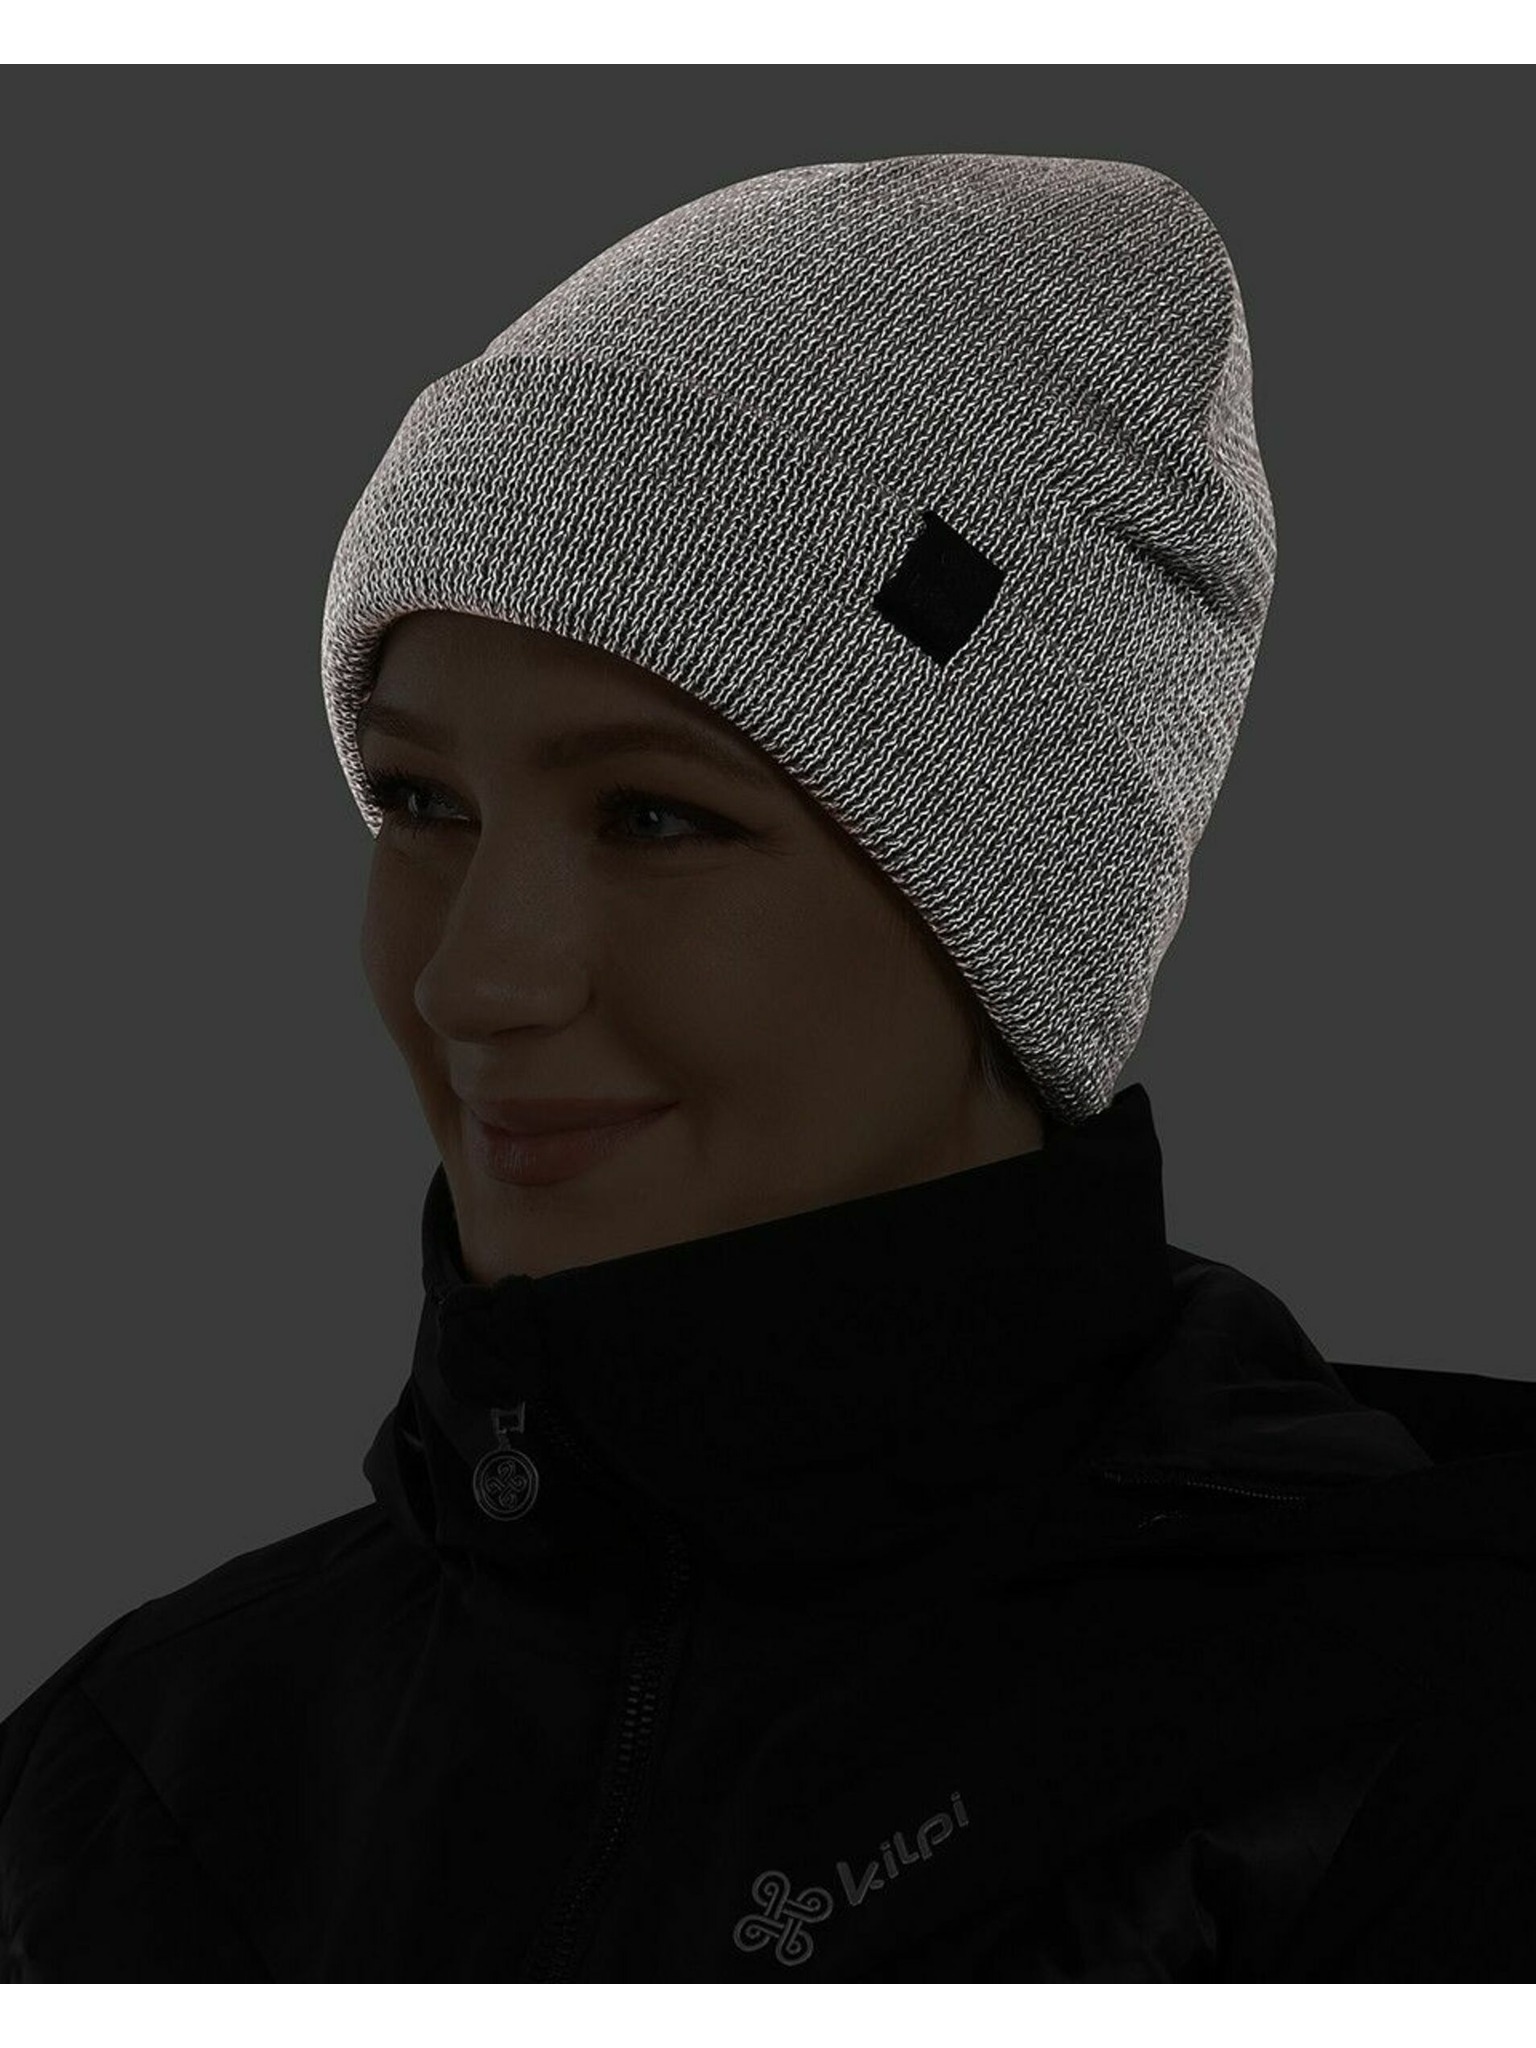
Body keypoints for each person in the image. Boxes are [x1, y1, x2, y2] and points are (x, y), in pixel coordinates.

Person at [2, 152, 1533, 1985]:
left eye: (654, 817)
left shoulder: (1417, 1725)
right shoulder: (147, 1777)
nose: (475, 977)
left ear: (1017, 903)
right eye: (419, 801)